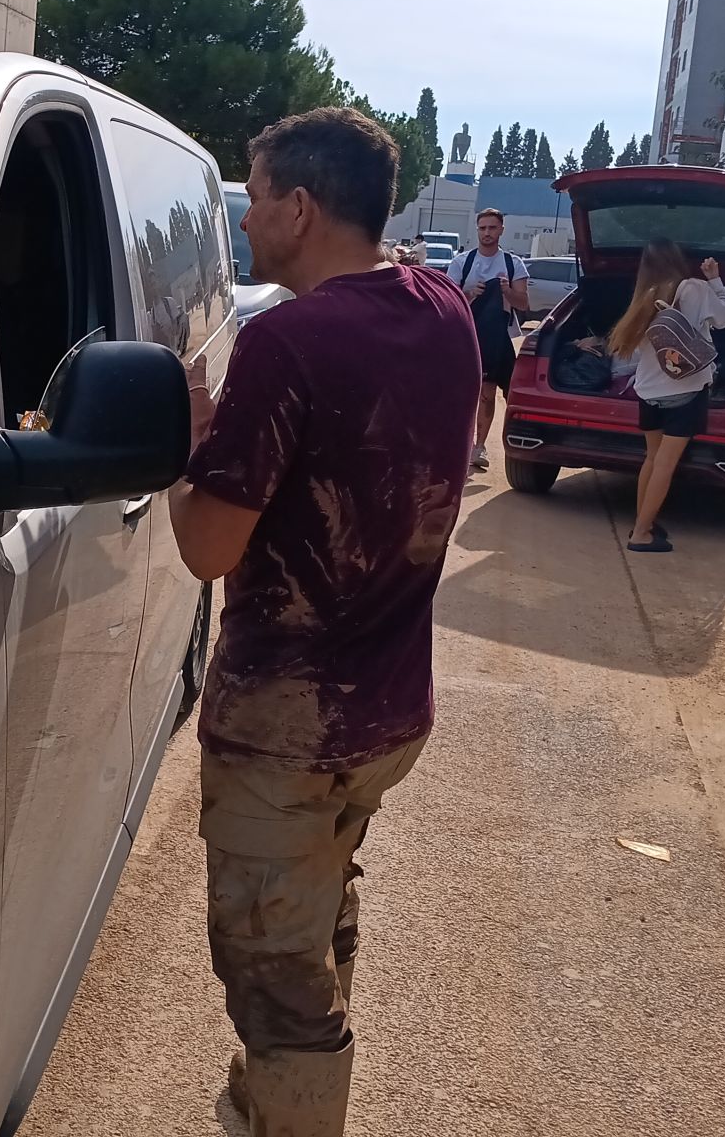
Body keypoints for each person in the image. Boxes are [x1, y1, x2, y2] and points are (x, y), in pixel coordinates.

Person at [169, 107, 481, 1137]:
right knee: (314, 906)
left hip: (286, 730)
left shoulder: (286, 344)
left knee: (270, 975)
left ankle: (292, 1109)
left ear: (300, 208)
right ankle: (281, 1098)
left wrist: (189, 451)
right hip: (390, 712)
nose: (246, 220)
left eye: (255, 199)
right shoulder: (445, 312)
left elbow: (208, 549)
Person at [608, 239, 725, 554]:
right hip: (686, 390)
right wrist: (715, 280)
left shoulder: (643, 297)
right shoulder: (694, 288)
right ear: (677, 260)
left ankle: (645, 522)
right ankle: (640, 534)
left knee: (652, 459)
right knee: (665, 464)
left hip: (648, 391)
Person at [446, 209, 530, 472]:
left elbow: (524, 302)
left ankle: (478, 446)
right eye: (482, 228)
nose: (487, 233)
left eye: (492, 228)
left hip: (496, 339)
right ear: (477, 229)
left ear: (501, 230)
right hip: (465, 336)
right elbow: (448, 302)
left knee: (487, 393)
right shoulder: (462, 262)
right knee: (460, 393)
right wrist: (469, 294)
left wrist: (505, 291)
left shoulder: (513, 264)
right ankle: (458, 443)